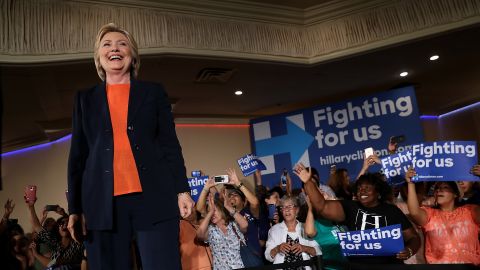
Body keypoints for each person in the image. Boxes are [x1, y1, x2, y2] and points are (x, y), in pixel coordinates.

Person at [67, 23, 194, 269]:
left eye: (122, 44)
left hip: (153, 198)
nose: (114, 49)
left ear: (132, 55)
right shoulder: (84, 99)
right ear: (99, 57)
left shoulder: (153, 92)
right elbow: (77, 156)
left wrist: (182, 190)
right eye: (107, 45)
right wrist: (75, 208)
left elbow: (169, 144)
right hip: (102, 206)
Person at [295, 163, 420, 265]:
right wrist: (308, 182)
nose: (362, 191)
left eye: (367, 188)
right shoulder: (351, 207)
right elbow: (321, 206)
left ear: (378, 192)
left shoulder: (391, 211)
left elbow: (413, 238)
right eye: (359, 188)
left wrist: (409, 250)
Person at [405, 168, 480, 265]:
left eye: (445, 187)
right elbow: (414, 212)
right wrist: (410, 184)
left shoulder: (470, 211)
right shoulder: (430, 214)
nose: (439, 191)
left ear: (456, 194)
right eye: (436, 188)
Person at [264, 195, 321, 270]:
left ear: (297, 210)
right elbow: (268, 256)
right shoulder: (274, 230)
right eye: (283, 207)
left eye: (290, 206)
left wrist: (305, 248)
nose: (286, 210)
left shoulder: (306, 227)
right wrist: (277, 248)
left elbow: (318, 251)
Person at [26, 197, 84, 269]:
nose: (65, 225)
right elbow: (37, 227)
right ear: (57, 229)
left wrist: (36, 254)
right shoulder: (56, 243)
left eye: (67, 223)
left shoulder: (77, 242)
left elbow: (54, 263)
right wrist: (31, 207)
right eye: (62, 223)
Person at [196, 193, 248, 270]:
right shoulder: (211, 230)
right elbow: (199, 234)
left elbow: (245, 225)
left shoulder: (234, 224)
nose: (212, 214)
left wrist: (227, 207)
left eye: (215, 211)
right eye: (210, 212)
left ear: (221, 209)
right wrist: (210, 212)